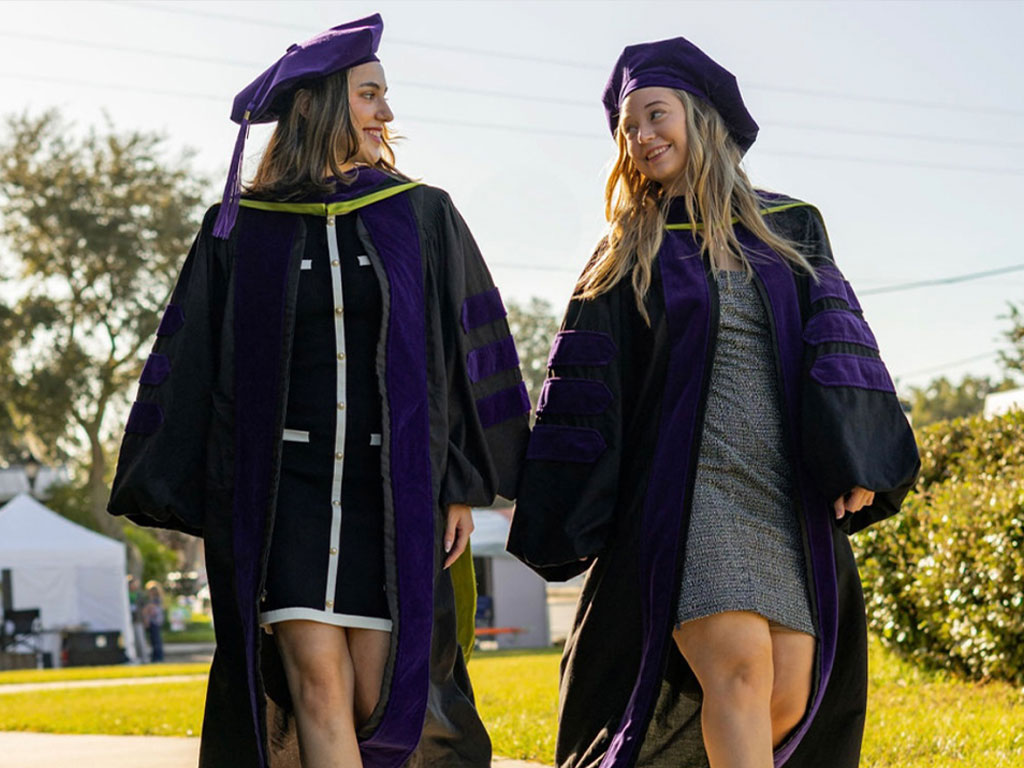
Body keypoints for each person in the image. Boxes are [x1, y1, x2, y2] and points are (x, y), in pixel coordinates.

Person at [107, 15, 529, 768]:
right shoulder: (240, 230)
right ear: (315, 105)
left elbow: (465, 355)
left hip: (391, 494)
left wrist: (461, 484)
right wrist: (200, 491)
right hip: (283, 499)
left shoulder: (421, 216)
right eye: (370, 95)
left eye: (385, 97)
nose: (386, 115)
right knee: (315, 688)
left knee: (384, 699)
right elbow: (194, 363)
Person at [508, 37, 920, 768]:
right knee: (737, 671)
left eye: (655, 115)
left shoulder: (791, 226)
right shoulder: (627, 250)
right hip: (687, 494)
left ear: (701, 119)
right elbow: (584, 395)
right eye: (628, 127)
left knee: (787, 695)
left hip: (780, 493)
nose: (640, 137)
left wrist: (860, 453)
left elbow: (841, 349)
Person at [142, 580, 165, 663]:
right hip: (153, 622)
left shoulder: (156, 600)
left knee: (156, 640)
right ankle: (155, 657)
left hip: (155, 621)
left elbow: (148, 609)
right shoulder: (151, 599)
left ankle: (158, 657)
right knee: (154, 640)